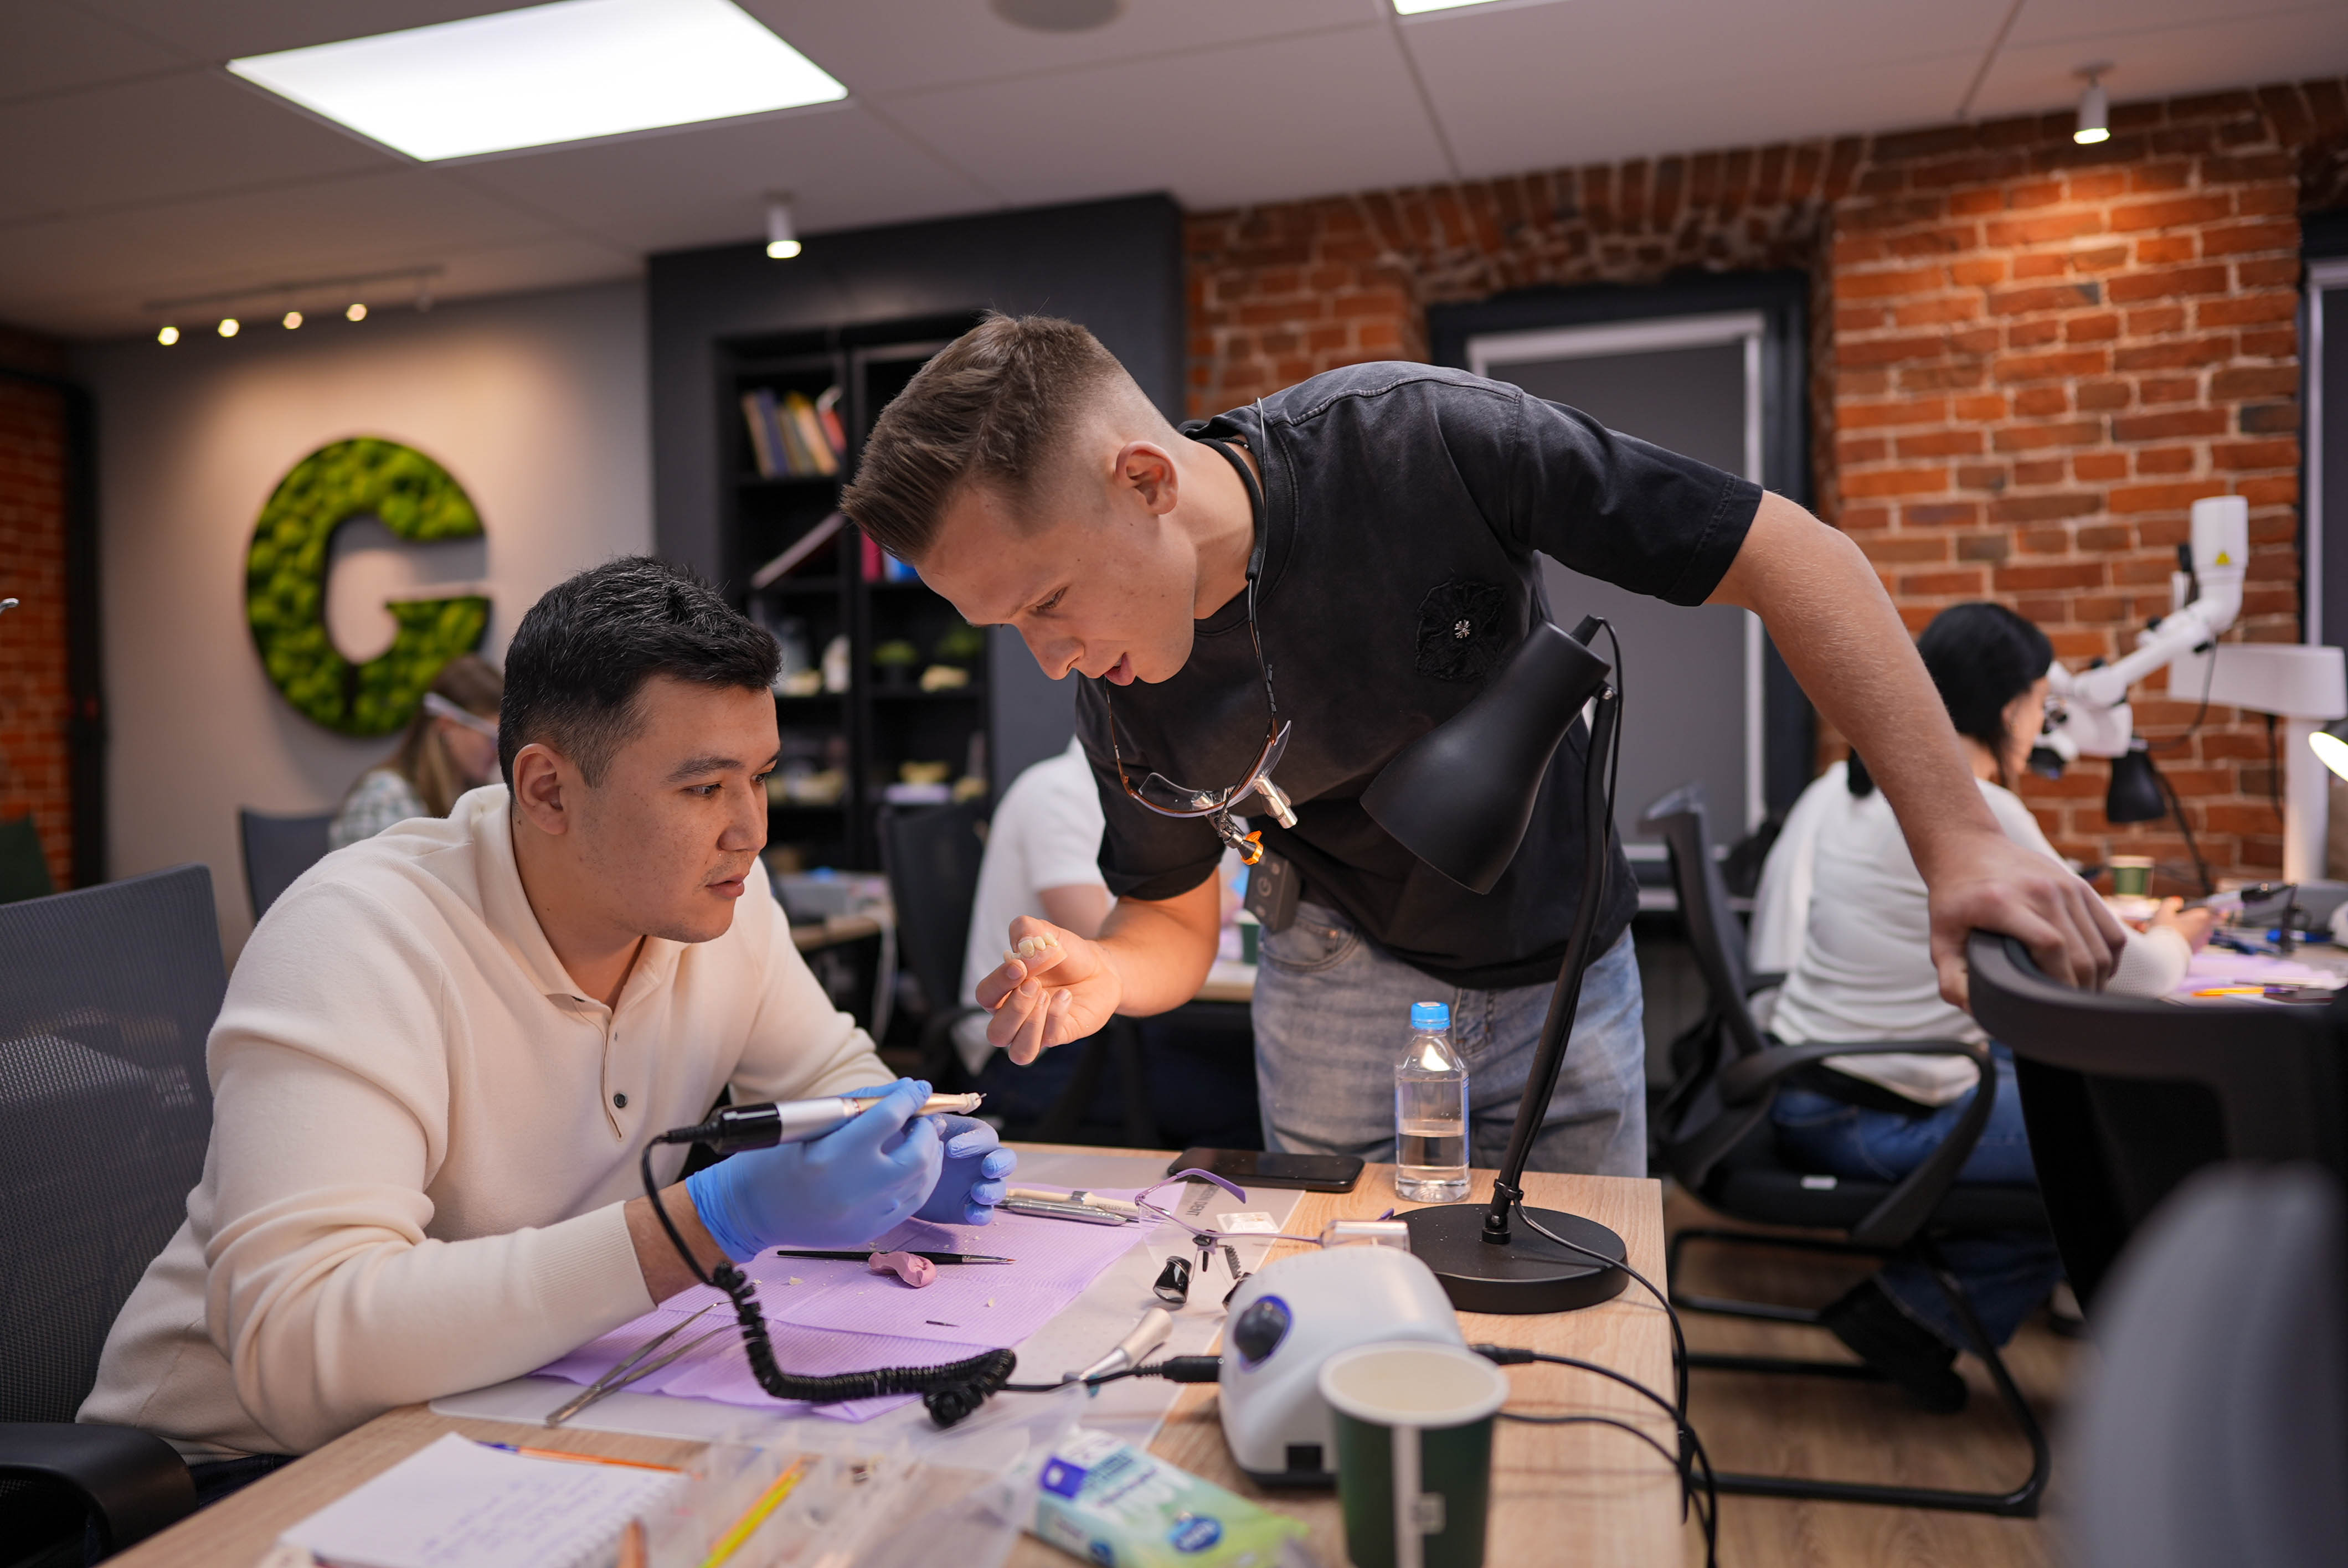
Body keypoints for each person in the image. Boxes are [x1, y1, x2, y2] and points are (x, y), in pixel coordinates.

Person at [840, 314, 2123, 1179]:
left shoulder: (1415, 441)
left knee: (1583, 1333)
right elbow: (1170, 927)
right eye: (1009, 627)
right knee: (1349, 1322)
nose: (1048, 659)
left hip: (1569, 967)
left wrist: (1956, 840)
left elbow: (1792, 556)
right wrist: (1107, 974)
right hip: (1336, 990)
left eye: (1046, 601)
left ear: (1144, 482)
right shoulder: (1123, 697)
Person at [80, 558, 1013, 1481]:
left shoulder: (718, 900)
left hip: (510, 1402)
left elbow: (830, 1082)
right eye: (703, 788)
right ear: (548, 791)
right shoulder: (357, 937)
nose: (752, 830)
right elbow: (299, 1350)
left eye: (760, 777)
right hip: (240, 1469)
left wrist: (902, 1154)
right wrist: (706, 1223)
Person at [1759, 602, 2211, 1410]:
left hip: (1814, 1088)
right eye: (2040, 703)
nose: (2042, 724)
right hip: (1870, 1115)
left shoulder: (1860, 786)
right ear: (2008, 708)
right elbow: (2141, 975)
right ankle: (1910, 1313)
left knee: (2080, 1104)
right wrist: (2185, 931)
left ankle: (1919, 1307)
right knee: (2125, 1146)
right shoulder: (1981, 811)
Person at [328, 653, 506, 849]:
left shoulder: (472, 798)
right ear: (447, 725)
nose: (498, 753)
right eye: (491, 739)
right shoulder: (384, 799)